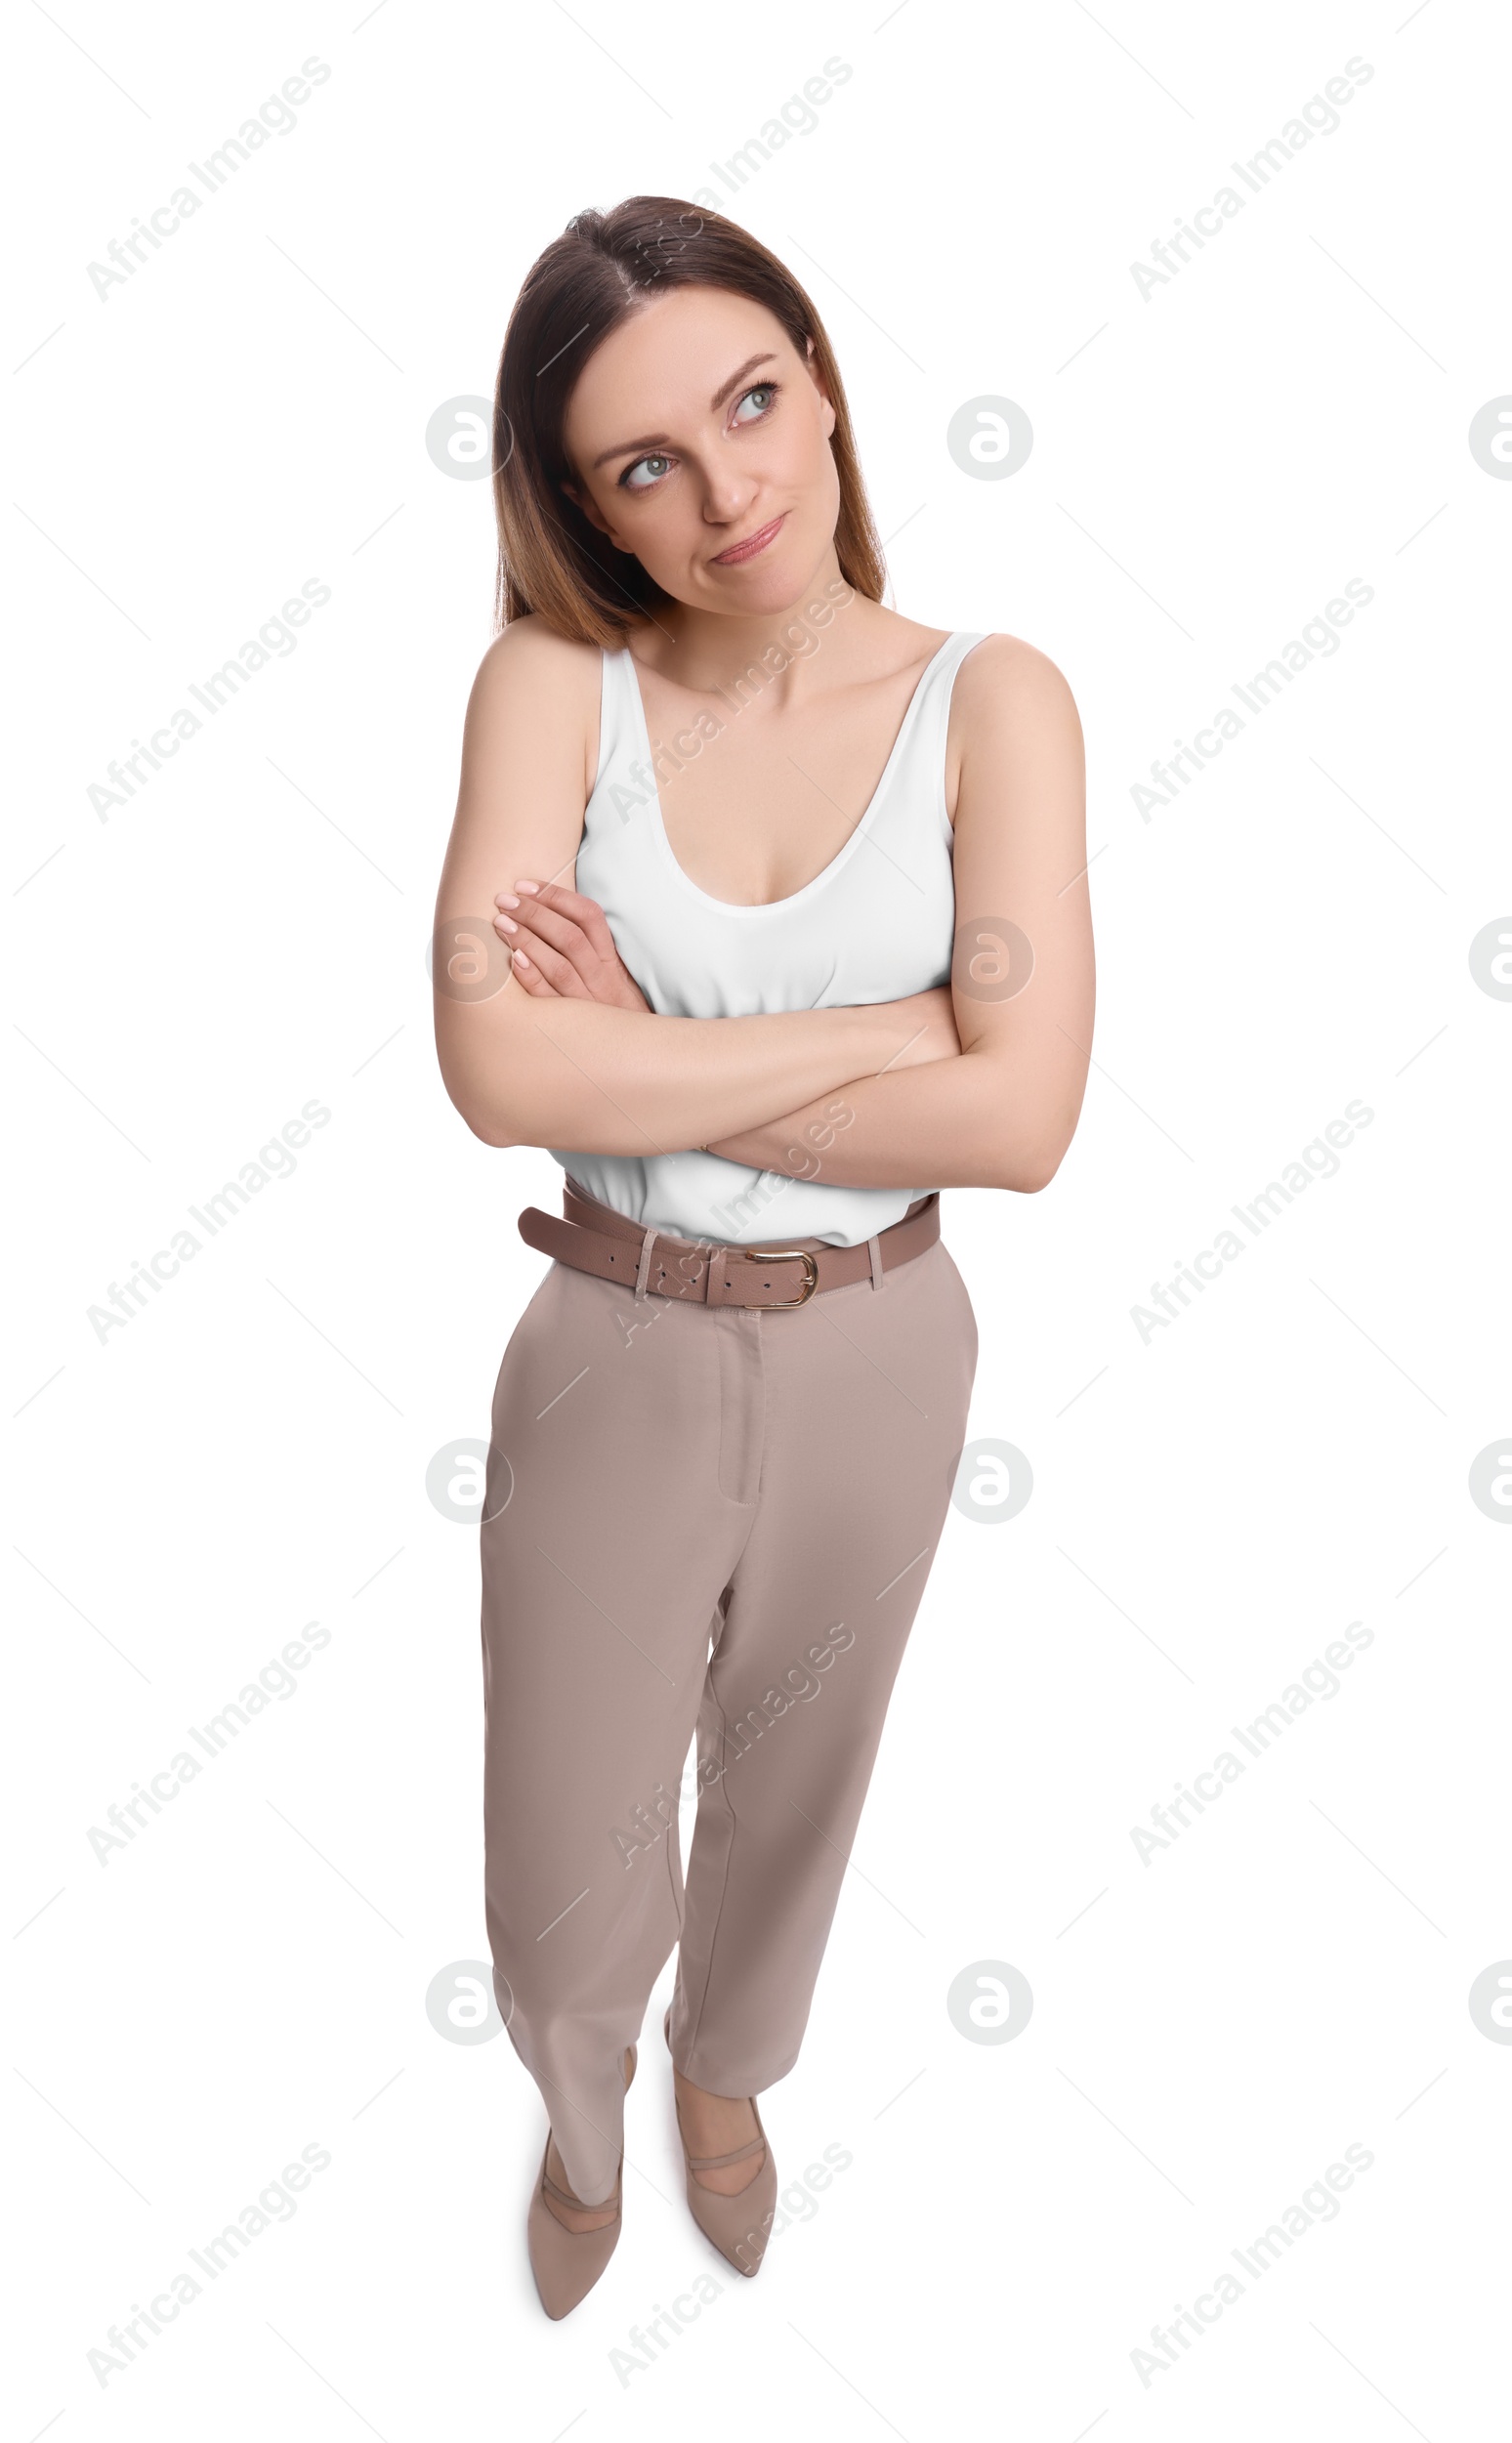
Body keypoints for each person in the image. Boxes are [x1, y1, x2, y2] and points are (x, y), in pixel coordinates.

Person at [433, 194, 1094, 2318]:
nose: (728, 495)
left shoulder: (997, 702)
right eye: (645, 463)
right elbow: (486, 1065)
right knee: (559, 1865)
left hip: (882, 1349)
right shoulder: (553, 688)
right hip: (612, 1345)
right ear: (586, 512)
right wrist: (896, 1029)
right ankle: (580, 2097)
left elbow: (1021, 1122)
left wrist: (640, 1049)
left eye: (748, 404)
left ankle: (728, 2081)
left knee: (798, 1791)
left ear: (817, 382)